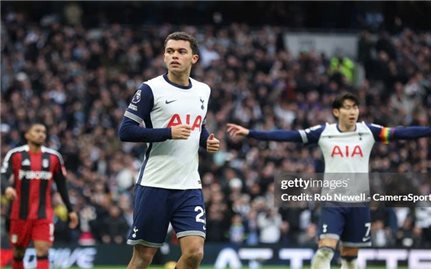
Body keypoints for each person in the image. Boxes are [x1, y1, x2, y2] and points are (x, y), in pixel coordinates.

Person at [227, 92, 431, 269]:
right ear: (336, 112)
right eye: (348, 108)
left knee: (350, 257)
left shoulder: (368, 131)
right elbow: (289, 136)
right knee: (325, 249)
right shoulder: (325, 132)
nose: (353, 112)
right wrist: (251, 133)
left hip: (359, 203)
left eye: (355, 108)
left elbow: (401, 132)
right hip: (333, 202)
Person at [118, 31, 220, 269]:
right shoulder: (150, 89)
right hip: (155, 184)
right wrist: (168, 132)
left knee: (194, 253)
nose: (174, 56)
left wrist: (206, 141)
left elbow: (198, 127)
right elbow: (125, 131)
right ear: (164, 57)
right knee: (143, 257)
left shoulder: (203, 90)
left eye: (181, 51)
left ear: (194, 58)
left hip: (189, 186)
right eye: (170, 51)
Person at [1, 123, 79, 269]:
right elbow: (3, 175)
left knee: (43, 250)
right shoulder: (16, 154)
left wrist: (70, 209)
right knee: (18, 252)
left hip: (43, 214)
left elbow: (62, 186)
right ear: (27, 135)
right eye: (37, 131)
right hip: (19, 214)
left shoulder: (54, 157)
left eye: (43, 132)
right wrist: (6, 188)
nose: (41, 134)